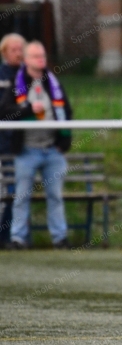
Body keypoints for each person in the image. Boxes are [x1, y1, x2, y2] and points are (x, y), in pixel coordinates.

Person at [0, 41, 73, 250]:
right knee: (22, 197)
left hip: (52, 150)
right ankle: (18, 238)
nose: (41, 60)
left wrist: (63, 142)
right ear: (26, 60)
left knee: (55, 196)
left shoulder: (53, 82)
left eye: (43, 56)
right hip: (27, 151)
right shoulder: (17, 82)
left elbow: (67, 112)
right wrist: (28, 108)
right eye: (36, 56)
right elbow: (4, 111)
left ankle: (59, 238)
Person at [0, 33, 26, 247]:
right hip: (4, 144)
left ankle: (14, 237)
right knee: (7, 191)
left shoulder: (31, 75)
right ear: (4, 53)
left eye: (21, 49)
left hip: (22, 146)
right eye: (14, 50)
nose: (19, 53)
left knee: (17, 191)